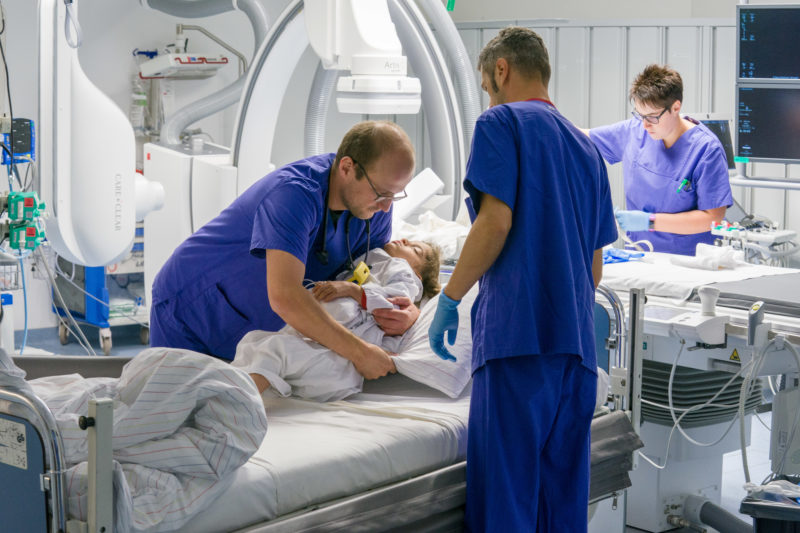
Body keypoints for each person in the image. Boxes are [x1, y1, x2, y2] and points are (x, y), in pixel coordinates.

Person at [427, 27, 617, 532]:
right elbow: (593, 268)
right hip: (575, 351)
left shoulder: (501, 122)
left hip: (516, 342)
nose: (489, 94)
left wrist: (450, 297)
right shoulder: (588, 148)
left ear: (502, 70)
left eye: (488, 85)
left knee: (506, 500)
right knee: (559, 503)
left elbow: (495, 223)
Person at [150, 121, 421, 382]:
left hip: (256, 327)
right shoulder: (293, 195)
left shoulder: (376, 208)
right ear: (347, 167)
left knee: (229, 413)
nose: (387, 208)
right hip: (192, 312)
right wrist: (360, 353)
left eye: (395, 196)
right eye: (382, 193)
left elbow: (377, 272)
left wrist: (407, 312)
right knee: (174, 412)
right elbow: (285, 296)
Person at [232, 239, 441, 401]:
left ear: (417, 275)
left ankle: (235, 404)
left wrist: (353, 290)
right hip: (326, 352)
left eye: (415, 249)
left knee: (275, 350)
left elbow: (395, 300)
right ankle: (229, 391)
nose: (405, 241)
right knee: (254, 344)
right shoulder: (374, 257)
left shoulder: (402, 271)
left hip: (337, 360)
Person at [585, 64, 733, 255]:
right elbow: (583, 137)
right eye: (640, 115)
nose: (645, 125)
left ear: (675, 107)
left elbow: (712, 219)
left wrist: (649, 221)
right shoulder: (635, 130)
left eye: (653, 117)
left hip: (690, 262)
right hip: (641, 254)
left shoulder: (706, 150)